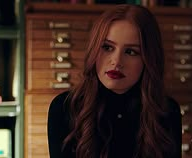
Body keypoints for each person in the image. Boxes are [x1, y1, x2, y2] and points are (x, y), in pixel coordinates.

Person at [47, 4, 182, 158]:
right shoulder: (64, 108)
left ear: (148, 60)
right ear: (94, 49)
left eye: (131, 52)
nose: (116, 62)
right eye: (107, 47)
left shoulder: (166, 111)